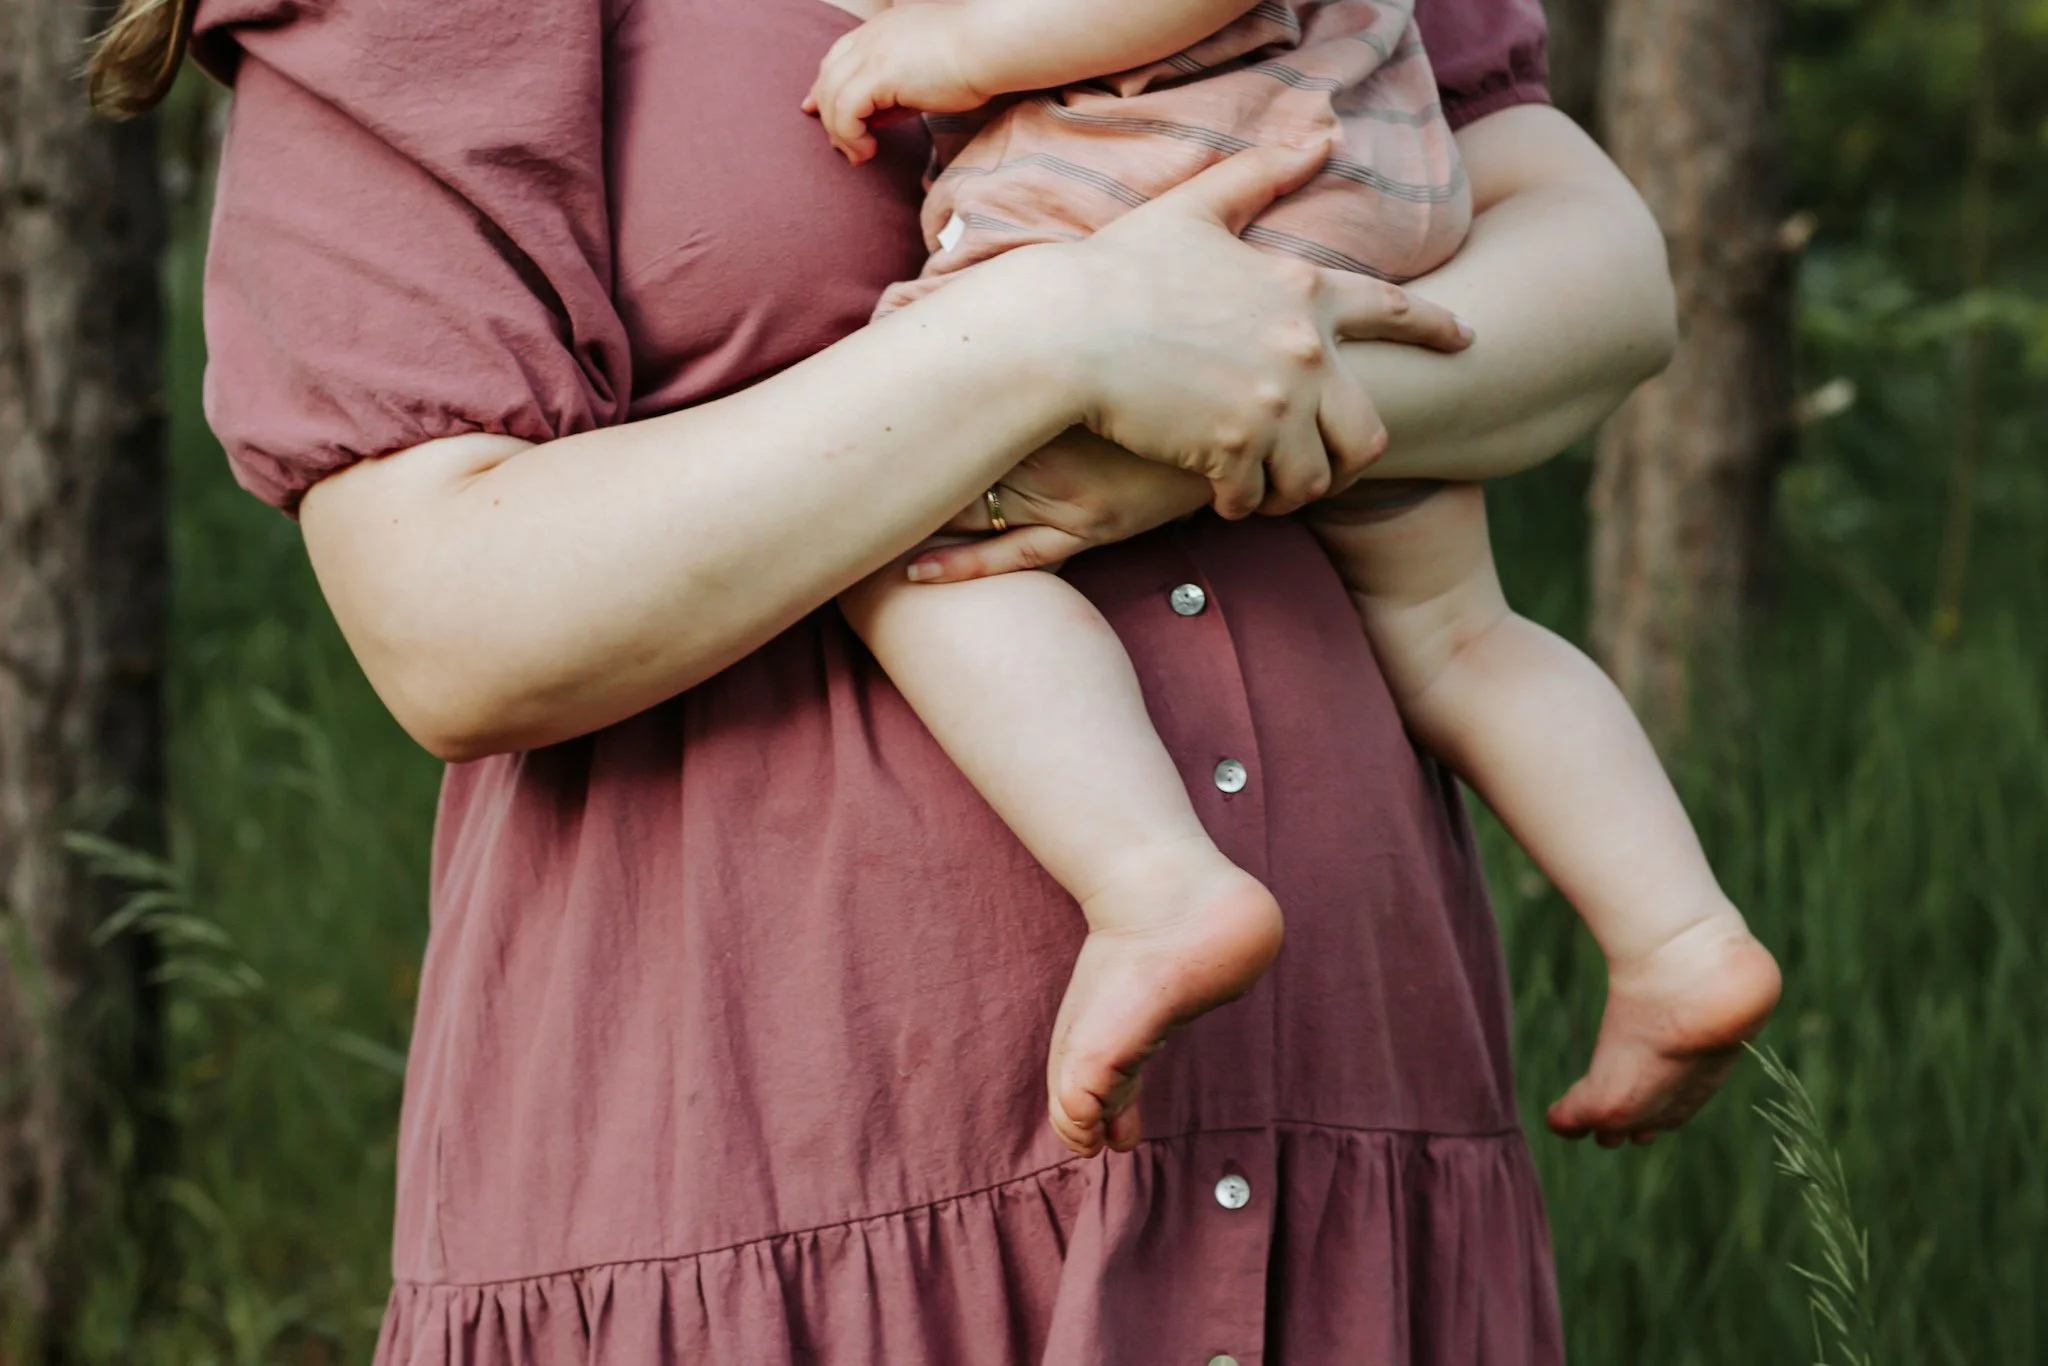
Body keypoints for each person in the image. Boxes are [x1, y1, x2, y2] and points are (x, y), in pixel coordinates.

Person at [89, 0, 1706, 1357]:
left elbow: (1598, 279)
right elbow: (450, 623)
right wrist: (1042, 346)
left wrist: (1214, 408)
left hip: (1345, 1130)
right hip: (774, 1181)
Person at [805, 0, 1781, 1160]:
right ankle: (1671, 933)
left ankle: (1153, 887)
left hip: (1156, 173)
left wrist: (958, 48)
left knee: (891, 527)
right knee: (1454, 630)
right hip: (1353, 195)